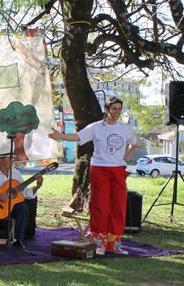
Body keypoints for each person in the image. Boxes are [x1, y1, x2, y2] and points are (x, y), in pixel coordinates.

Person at [48, 96, 136, 255]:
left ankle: (114, 243)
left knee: (118, 206)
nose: (116, 112)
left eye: (119, 109)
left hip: (118, 170)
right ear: (106, 110)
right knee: (100, 206)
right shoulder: (96, 127)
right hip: (100, 169)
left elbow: (134, 142)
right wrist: (60, 135)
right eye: (113, 109)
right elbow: (78, 137)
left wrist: (128, 155)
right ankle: (99, 243)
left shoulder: (125, 128)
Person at [0, 145, 43, 249]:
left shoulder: (16, 173)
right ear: (1, 160)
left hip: (12, 209)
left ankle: (18, 240)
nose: (13, 160)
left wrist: (38, 186)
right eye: (10, 158)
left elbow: (24, 193)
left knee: (23, 208)